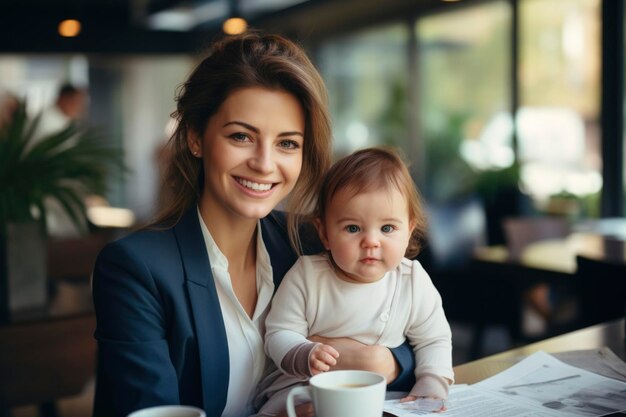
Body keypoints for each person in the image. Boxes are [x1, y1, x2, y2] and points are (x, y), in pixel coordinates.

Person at [91, 32, 416, 417]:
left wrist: (382, 362)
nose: (264, 163)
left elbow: (408, 323)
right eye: (241, 136)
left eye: (287, 143)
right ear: (196, 136)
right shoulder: (134, 269)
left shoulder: (310, 242)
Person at [256, 147, 454, 416]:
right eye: (353, 228)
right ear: (324, 233)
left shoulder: (412, 281)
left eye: (387, 228)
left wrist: (431, 382)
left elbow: (434, 340)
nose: (371, 241)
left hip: (381, 393)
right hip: (304, 387)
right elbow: (278, 332)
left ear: (408, 231)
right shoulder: (307, 276)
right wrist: (303, 353)